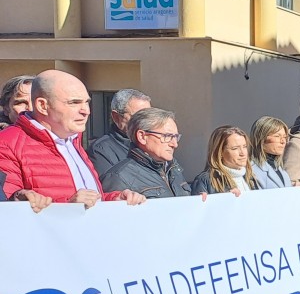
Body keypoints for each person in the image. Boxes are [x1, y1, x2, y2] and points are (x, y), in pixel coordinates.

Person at [0, 70, 144, 207]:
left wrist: (115, 199)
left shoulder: (71, 140)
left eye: (86, 102)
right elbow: (10, 212)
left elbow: (86, 200)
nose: (85, 111)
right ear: (42, 106)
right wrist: (68, 206)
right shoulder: (7, 143)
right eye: (74, 103)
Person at [100, 108, 191, 198]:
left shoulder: (173, 169)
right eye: (167, 136)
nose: (174, 144)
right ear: (142, 137)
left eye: (176, 137)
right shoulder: (119, 177)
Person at [89, 88, 152, 176]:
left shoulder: (154, 142)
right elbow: (111, 185)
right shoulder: (100, 150)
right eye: (138, 116)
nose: (144, 122)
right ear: (116, 117)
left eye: (148, 116)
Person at [191, 126, 260, 195]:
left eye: (244, 147)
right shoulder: (206, 180)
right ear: (219, 152)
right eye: (235, 148)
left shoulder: (250, 177)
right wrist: (225, 200)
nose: (243, 153)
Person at [249, 116, 300, 190]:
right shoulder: (251, 171)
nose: (283, 141)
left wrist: (294, 187)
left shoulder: (280, 169)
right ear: (261, 139)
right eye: (277, 136)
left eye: (284, 137)